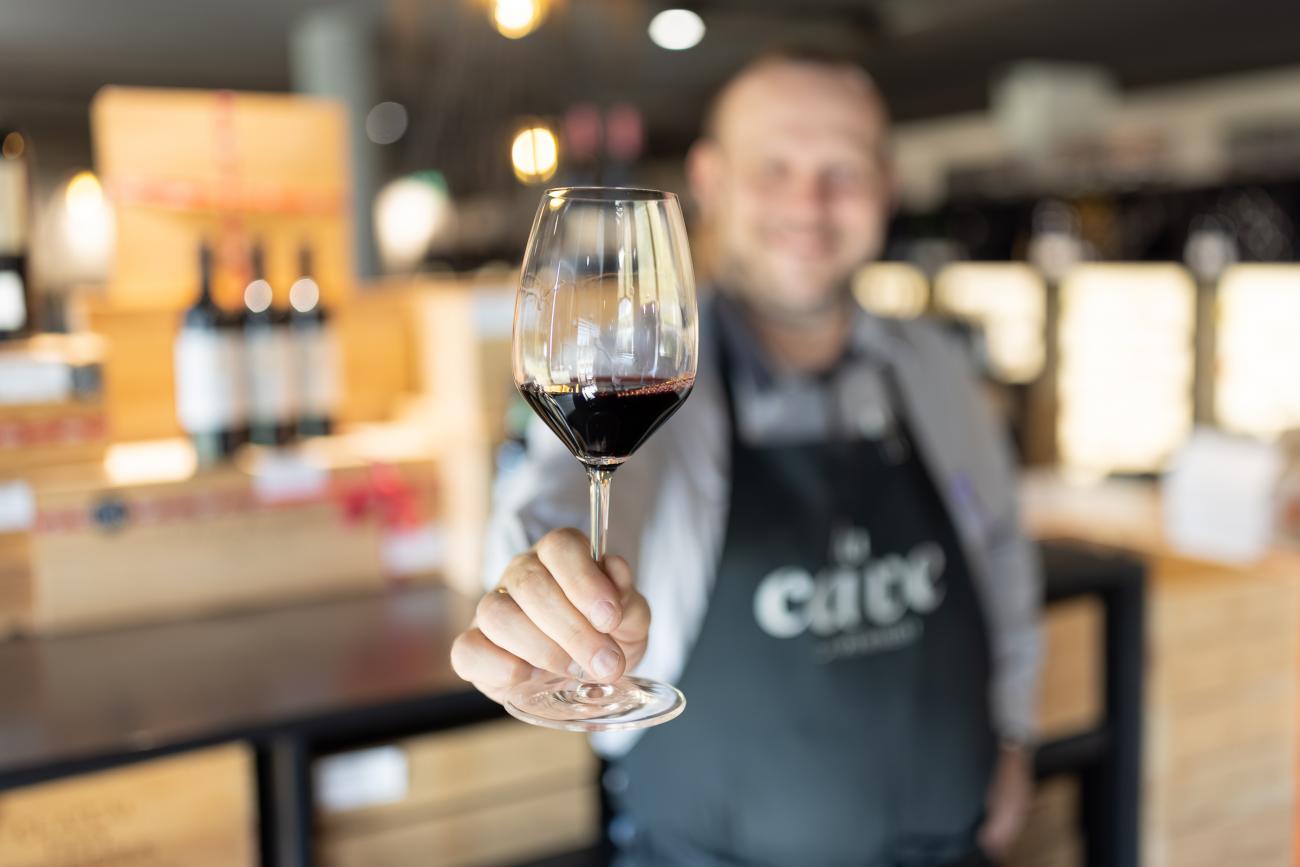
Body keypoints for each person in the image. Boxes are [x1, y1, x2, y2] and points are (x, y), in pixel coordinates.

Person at [452, 49, 1043, 867]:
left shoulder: (935, 370)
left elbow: (1003, 554)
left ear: (887, 186)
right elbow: (554, 500)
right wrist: (536, 593)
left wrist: (1013, 731)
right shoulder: (652, 374)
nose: (810, 201)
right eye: (775, 166)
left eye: (842, 168)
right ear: (711, 178)